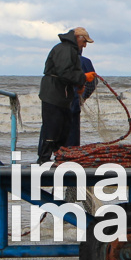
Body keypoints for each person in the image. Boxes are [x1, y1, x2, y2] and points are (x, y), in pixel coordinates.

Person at [38, 27, 96, 163]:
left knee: (62, 130)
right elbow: (64, 73)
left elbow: (67, 73)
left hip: (62, 96)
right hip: (53, 96)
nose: (85, 45)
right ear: (79, 38)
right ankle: (43, 162)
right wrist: (83, 78)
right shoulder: (65, 49)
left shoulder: (70, 50)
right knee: (52, 129)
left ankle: (59, 160)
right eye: (85, 42)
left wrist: (79, 85)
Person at [64, 53, 97, 147]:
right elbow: (93, 82)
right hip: (73, 102)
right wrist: (83, 97)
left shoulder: (59, 58)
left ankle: (46, 157)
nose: (85, 45)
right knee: (72, 135)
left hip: (60, 102)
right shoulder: (84, 61)